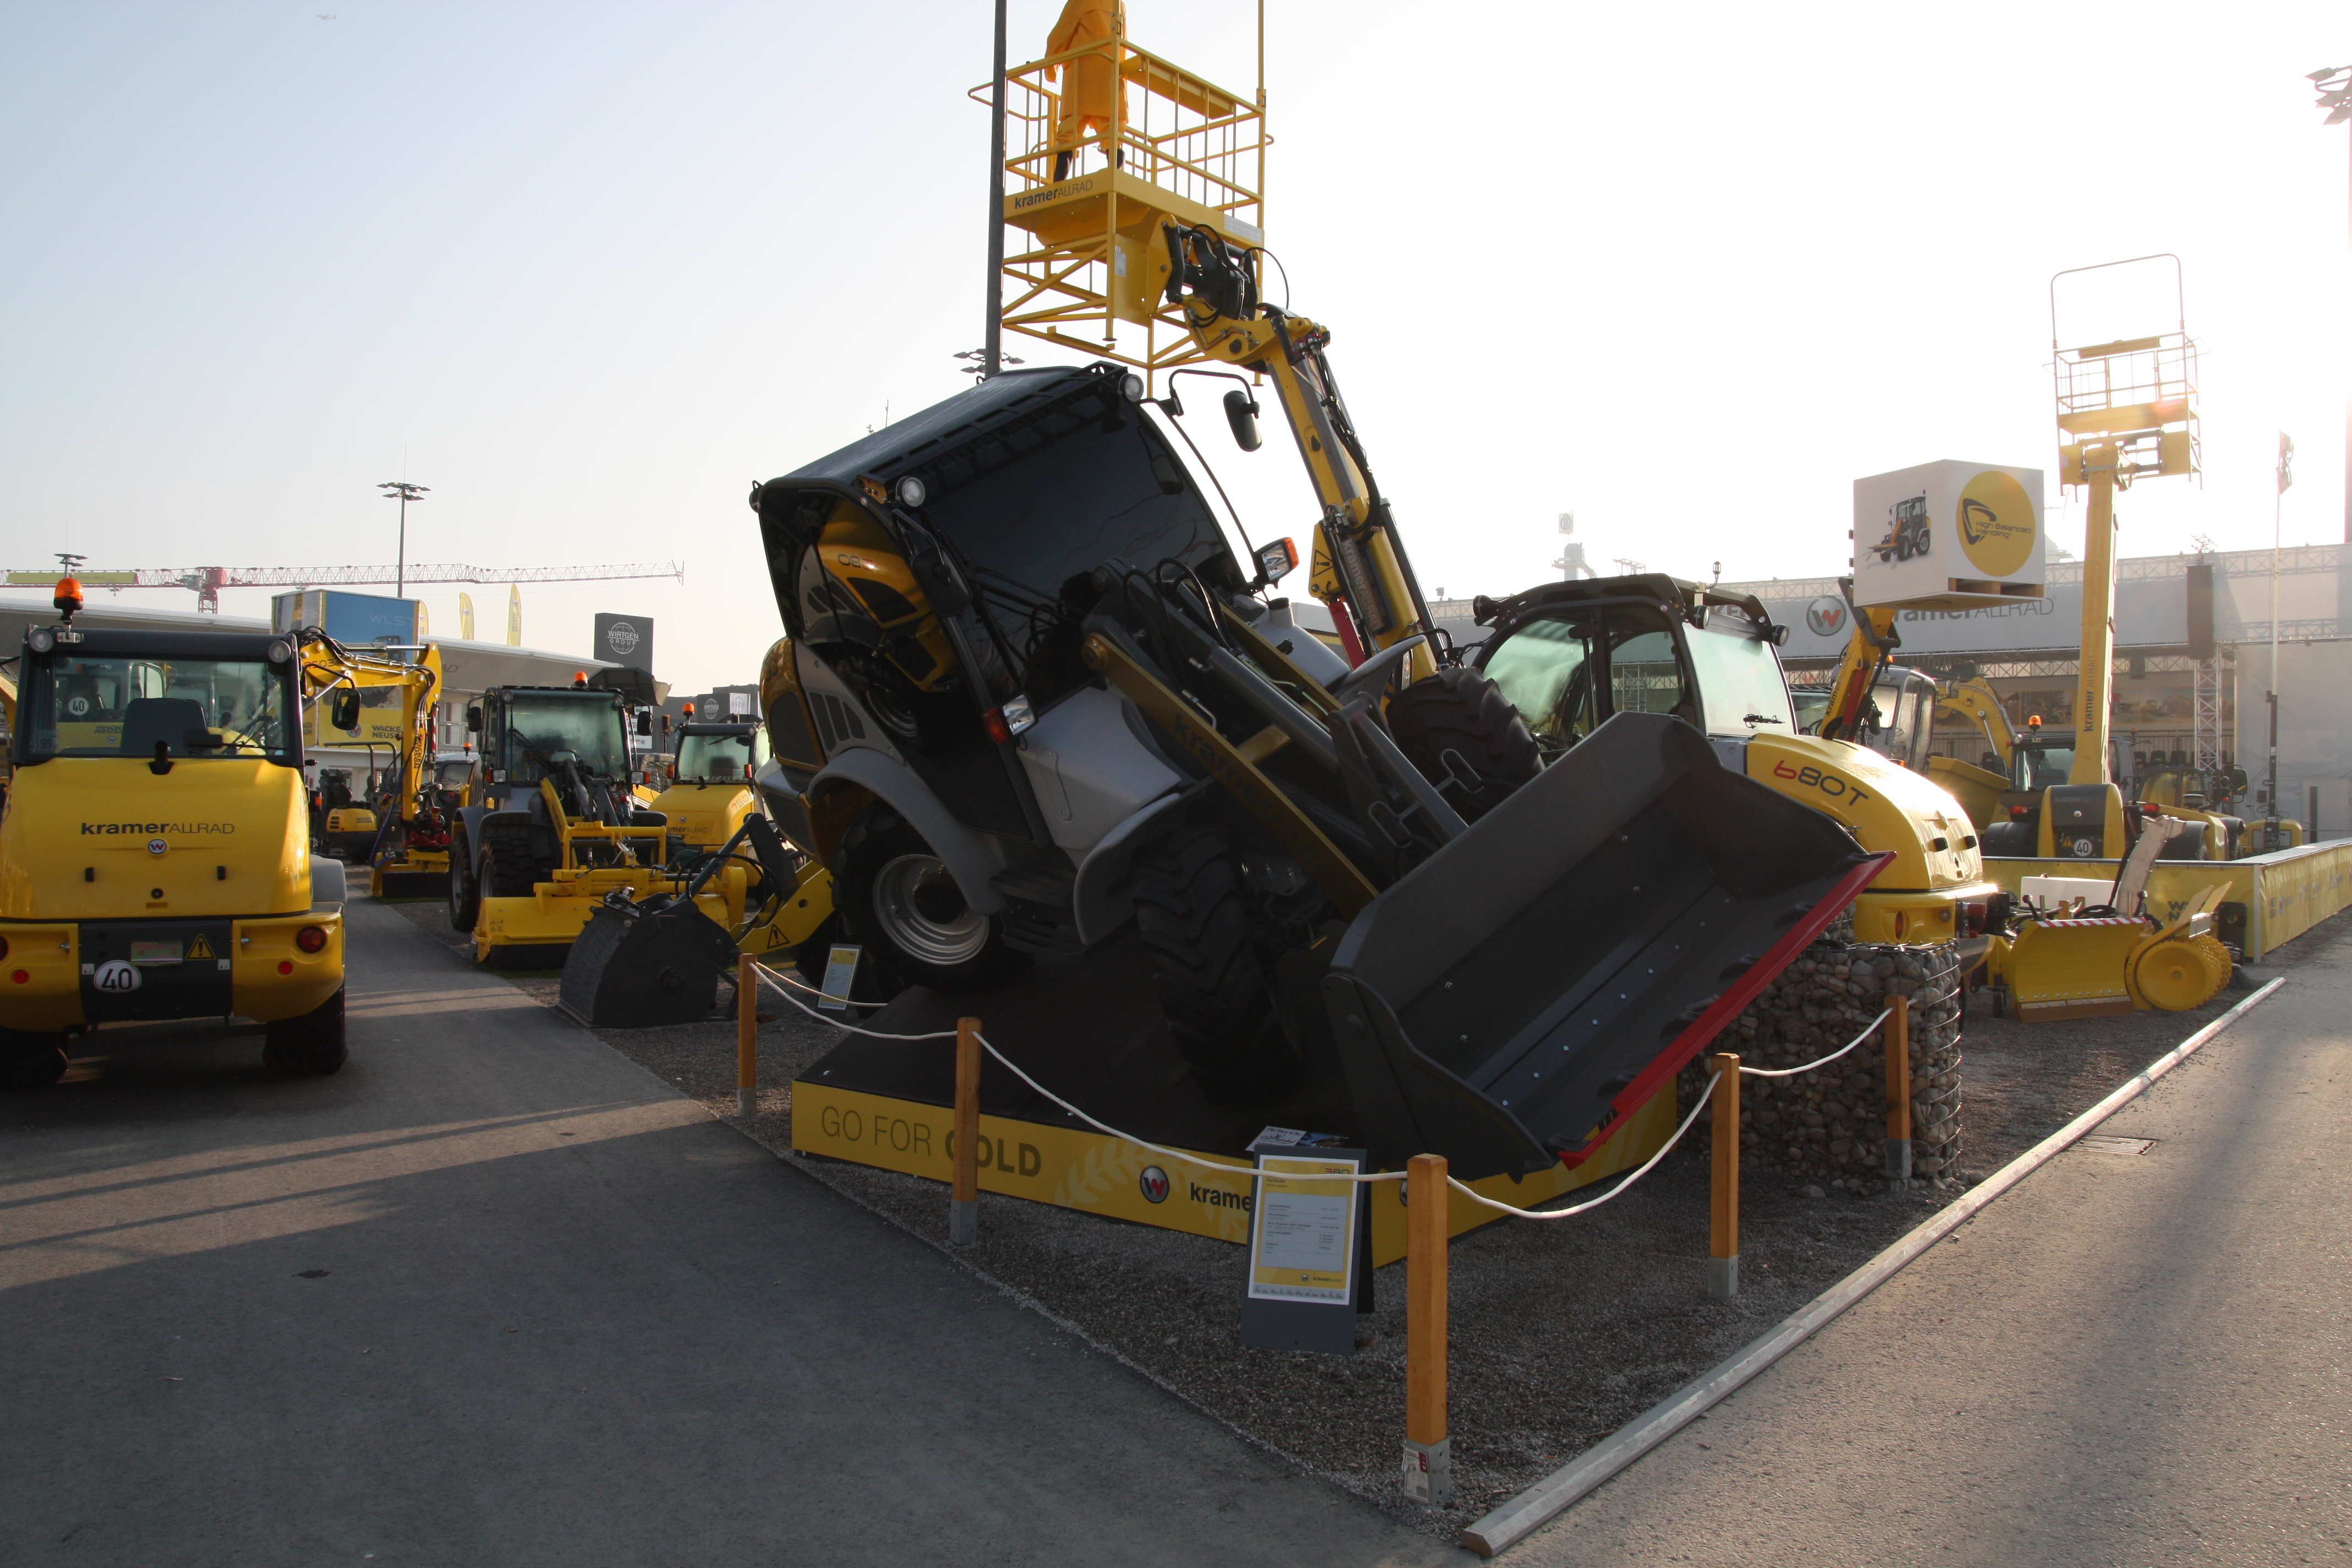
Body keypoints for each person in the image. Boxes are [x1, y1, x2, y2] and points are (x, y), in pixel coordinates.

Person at [1046, 0, 1124, 181]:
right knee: (1111, 132)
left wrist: (1051, 66)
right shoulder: (1118, 5)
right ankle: (1117, 177)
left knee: (1069, 134)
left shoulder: (1080, 1)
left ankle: (1059, 185)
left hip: (1081, 78)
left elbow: (1060, 34)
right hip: (1110, 78)